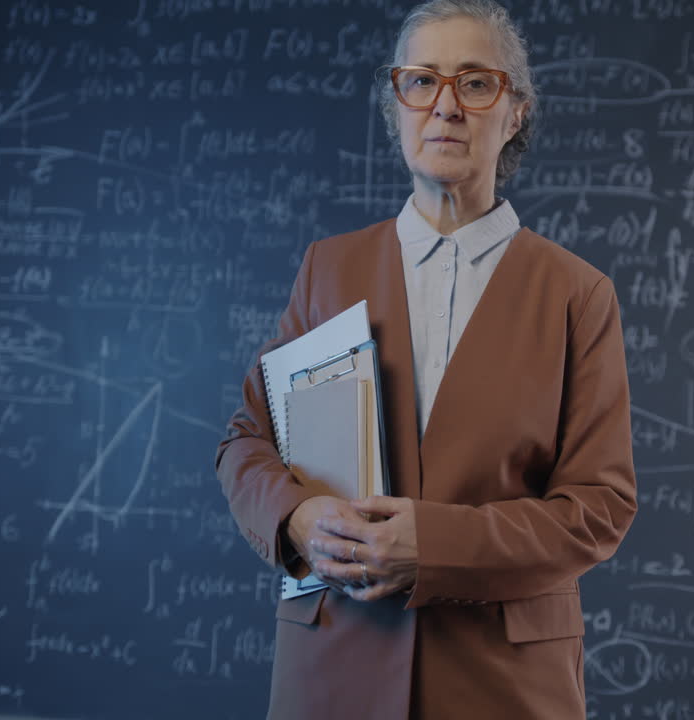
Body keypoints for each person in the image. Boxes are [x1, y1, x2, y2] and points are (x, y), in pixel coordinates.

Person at [215, 1, 637, 717]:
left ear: (515, 113)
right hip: (332, 672)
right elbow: (245, 443)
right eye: (420, 81)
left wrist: (436, 545)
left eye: (475, 83)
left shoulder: (577, 294)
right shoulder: (327, 269)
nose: (445, 106)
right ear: (398, 106)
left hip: (502, 683)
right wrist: (297, 518)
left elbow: (598, 509)